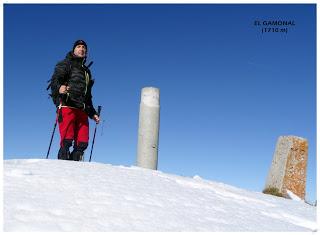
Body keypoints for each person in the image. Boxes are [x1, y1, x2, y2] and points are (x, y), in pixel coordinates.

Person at [50, 40, 100, 161]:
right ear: (74, 50)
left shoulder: (87, 72)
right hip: (67, 105)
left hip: (82, 109)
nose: (81, 49)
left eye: (84, 47)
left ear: (86, 52)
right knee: (66, 140)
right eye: (78, 47)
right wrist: (59, 87)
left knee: (82, 144)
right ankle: (61, 168)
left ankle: (76, 173)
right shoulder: (65, 63)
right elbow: (55, 80)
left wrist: (92, 113)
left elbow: (88, 95)